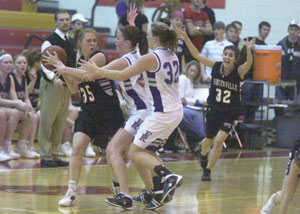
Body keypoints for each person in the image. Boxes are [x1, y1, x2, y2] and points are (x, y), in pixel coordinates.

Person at [79, 21, 184, 210]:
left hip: (162, 112)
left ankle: (168, 176)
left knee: (135, 152)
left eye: (151, 35)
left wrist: (97, 70)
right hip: (175, 110)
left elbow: (121, 75)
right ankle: (156, 191)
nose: (148, 38)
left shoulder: (151, 58)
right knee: (145, 151)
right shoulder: (172, 54)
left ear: (156, 38)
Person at [42, 27, 125, 207]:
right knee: (77, 147)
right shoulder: (78, 63)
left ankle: (118, 190)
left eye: (94, 41)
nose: (93, 44)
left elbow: (88, 75)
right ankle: (71, 192)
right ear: (79, 43)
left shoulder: (100, 58)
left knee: (109, 154)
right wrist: (62, 71)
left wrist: (63, 67)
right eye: (88, 41)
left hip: (108, 113)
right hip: (88, 112)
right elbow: (73, 90)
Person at [176, 26, 255, 181]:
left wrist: (249, 51)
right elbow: (197, 55)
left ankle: (208, 171)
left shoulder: (239, 71)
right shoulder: (216, 66)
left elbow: (248, 64)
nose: (227, 57)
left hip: (230, 113)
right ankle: (203, 154)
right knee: (208, 140)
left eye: (230, 55)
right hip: (214, 110)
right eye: (225, 54)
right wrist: (186, 39)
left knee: (219, 141)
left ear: (235, 58)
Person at [39, 10, 76, 167]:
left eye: (67, 19)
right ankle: (45, 156)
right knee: (48, 120)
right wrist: (54, 78)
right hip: (52, 85)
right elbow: (43, 64)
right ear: (56, 22)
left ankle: (55, 153)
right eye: (61, 20)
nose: (65, 22)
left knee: (60, 121)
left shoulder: (71, 40)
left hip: (66, 85)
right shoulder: (49, 42)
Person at [0, 52, 35, 159]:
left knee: (28, 114)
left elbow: (15, 97)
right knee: (6, 113)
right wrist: (18, 103)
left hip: (5, 107)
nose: (8, 65)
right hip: (2, 108)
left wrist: (25, 107)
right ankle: (3, 147)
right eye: (6, 62)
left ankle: (22, 146)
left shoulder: (9, 78)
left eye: (10, 62)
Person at [241, 21, 271, 123]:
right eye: (264, 29)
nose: (266, 32)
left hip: (258, 80)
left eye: (268, 30)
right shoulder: (250, 40)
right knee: (244, 104)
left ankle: (250, 132)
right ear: (259, 30)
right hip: (247, 78)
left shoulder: (266, 47)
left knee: (255, 105)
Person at [11, 54, 40, 158]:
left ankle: (28, 146)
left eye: (24, 63)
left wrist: (30, 108)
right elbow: (14, 98)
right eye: (19, 63)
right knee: (24, 115)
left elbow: (26, 96)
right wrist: (25, 107)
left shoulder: (23, 77)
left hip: (20, 106)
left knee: (33, 116)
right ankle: (11, 145)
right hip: (12, 106)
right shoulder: (11, 76)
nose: (22, 65)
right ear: (14, 65)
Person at [261, 139, 300, 214]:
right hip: (297, 154)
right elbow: (286, 198)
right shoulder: (295, 162)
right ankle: (272, 200)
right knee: (287, 195)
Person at [178, 60, 206, 149]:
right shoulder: (183, 78)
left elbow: (188, 99)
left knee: (201, 112)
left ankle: (196, 142)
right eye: (191, 70)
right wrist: (198, 101)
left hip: (188, 107)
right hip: (179, 106)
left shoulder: (191, 82)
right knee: (197, 114)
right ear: (187, 69)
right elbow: (182, 99)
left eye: (195, 72)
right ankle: (201, 138)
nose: (193, 73)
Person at [275, 20, 300, 109]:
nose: (293, 32)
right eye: (291, 29)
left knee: (297, 109)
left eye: (296, 30)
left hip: (298, 83)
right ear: (288, 30)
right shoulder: (280, 45)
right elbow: (275, 63)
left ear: (299, 31)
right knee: (280, 106)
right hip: (282, 82)